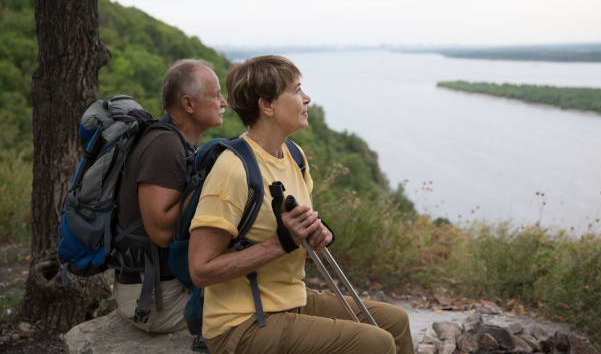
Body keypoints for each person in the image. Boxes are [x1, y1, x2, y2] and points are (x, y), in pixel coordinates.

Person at [188, 55, 415, 353]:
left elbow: (299, 239)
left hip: (289, 300)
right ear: (266, 105)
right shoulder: (233, 170)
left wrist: (317, 234)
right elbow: (200, 269)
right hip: (239, 323)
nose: (306, 98)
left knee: (395, 322)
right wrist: (280, 242)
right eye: (296, 90)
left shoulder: (294, 156)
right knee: (376, 343)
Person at [114, 59, 227, 333]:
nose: (224, 102)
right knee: (256, 309)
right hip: (153, 299)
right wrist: (206, 187)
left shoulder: (181, 143)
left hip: (165, 286)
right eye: (215, 95)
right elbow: (161, 232)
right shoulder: (163, 146)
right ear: (188, 104)